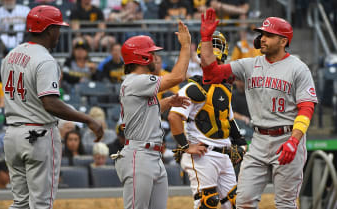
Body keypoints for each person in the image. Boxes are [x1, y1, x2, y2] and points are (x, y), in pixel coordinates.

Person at [199, 8, 318, 208]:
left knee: (285, 204)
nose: (262, 38)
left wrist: (294, 141)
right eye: (262, 34)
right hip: (259, 140)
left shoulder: (298, 68)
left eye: (269, 35)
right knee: (244, 201)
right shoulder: (249, 64)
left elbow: (306, 107)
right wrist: (206, 38)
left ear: (283, 41)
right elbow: (211, 74)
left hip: (287, 138)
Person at [0, 5, 103, 209]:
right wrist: (88, 119)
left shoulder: (11, 55)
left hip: (12, 134)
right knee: (41, 204)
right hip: (38, 134)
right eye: (57, 28)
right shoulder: (45, 59)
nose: (59, 33)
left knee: (20, 203)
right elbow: (50, 103)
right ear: (49, 30)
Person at [114, 21, 203, 209]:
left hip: (152, 155)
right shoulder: (137, 81)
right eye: (152, 54)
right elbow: (178, 76)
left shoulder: (138, 84)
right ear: (142, 57)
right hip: (139, 155)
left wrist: (167, 103)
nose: (156, 58)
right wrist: (186, 45)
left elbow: (145, 112)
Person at [168, 31, 246, 209]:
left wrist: (241, 144)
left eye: (217, 61)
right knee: (207, 203)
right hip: (203, 154)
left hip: (224, 153)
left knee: (236, 204)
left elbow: (229, 119)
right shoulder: (194, 88)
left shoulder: (225, 87)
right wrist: (186, 146)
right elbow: (173, 116)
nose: (214, 64)